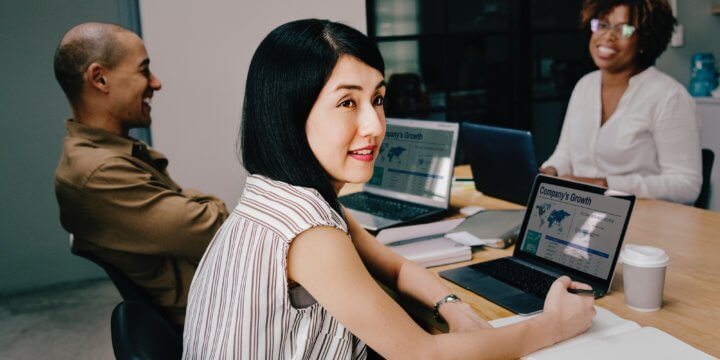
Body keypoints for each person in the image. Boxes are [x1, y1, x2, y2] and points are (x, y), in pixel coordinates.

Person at [182, 19, 595, 359]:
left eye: (377, 100)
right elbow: (420, 355)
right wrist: (553, 324)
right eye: (347, 103)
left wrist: (454, 308)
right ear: (289, 113)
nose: (376, 126)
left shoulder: (281, 193)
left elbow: (395, 268)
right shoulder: (309, 233)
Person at [53, 22, 229, 327]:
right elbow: (214, 228)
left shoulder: (114, 152)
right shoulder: (98, 172)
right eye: (143, 71)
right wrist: (206, 205)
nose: (156, 83)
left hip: (220, 297)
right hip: (220, 319)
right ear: (100, 78)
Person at [540, 0, 702, 204]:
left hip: (644, 222)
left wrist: (607, 185)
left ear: (644, 40)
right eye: (602, 24)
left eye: (624, 29)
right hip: (580, 212)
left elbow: (687, 185)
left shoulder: (669, 96)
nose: (608, 36)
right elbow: (565, 154)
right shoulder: (585, 85)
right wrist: (551, 170)